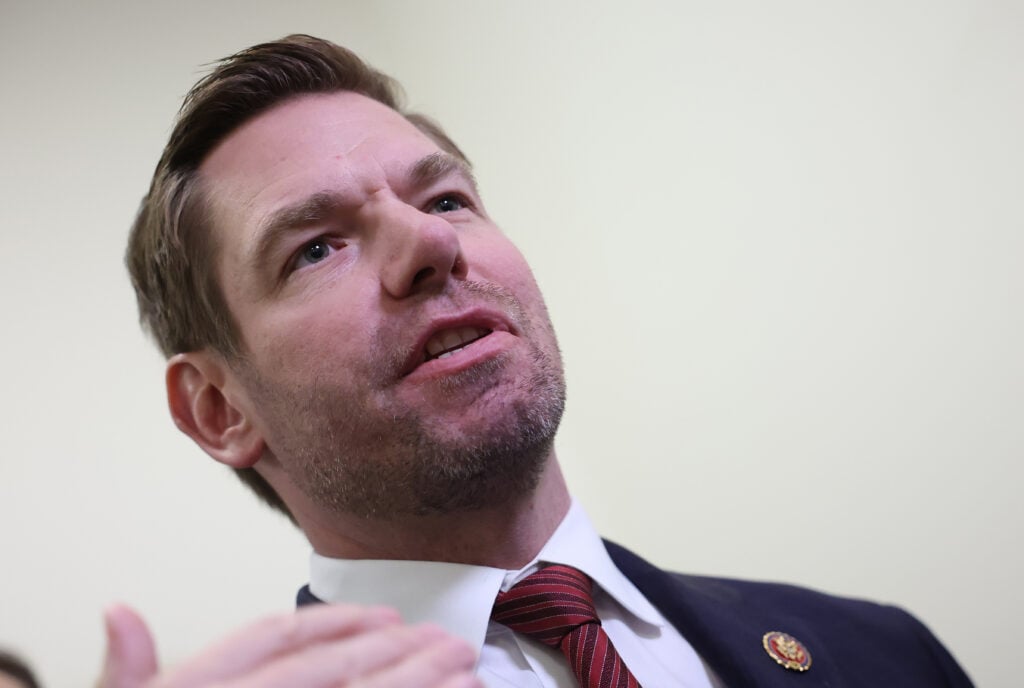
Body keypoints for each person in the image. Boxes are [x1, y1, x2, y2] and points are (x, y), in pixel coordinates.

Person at [105, 34, 973, 687]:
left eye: (446, 199)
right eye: (318, 248)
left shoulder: (886, 652)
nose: (431, 243)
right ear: (219, 409)